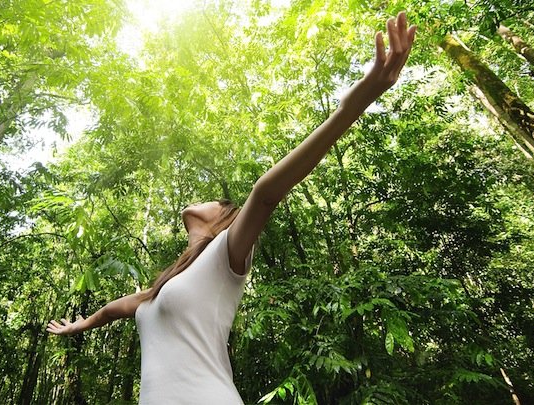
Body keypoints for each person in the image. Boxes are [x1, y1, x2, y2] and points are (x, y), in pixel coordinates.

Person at [47, 11, 416, 404]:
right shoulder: (159, 290)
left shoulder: (226, 255)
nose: (201, 200)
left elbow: (265, 193)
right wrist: (79, 325)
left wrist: (355, 102)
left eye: (214, 201)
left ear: (222, 219)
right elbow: (111, 309)